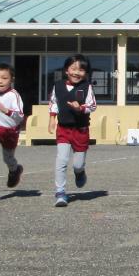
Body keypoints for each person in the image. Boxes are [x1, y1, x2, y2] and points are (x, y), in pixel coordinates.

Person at [48, 54, 97, 207]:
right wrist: (52, 119)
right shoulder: (58, 86)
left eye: (81, 70)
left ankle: (79, 172)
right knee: (61, 160)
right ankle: (60, 192)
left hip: (81, 130)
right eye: (73, 69)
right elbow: (53, 103)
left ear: (86, 73)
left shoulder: (87, 87)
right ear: (66, 71)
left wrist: (81, 108)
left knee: (77, 164)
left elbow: (93, 106)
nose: (77, 72)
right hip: (63, 129)